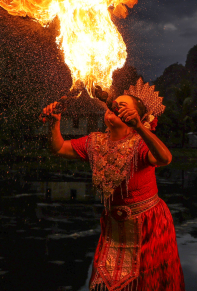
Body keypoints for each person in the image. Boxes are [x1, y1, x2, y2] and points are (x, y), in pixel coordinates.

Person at [43, 78, 184, 291]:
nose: (114, 108)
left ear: (138, 117)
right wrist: (55, 120)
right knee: (105, 283)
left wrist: (139, 128)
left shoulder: (140, 144)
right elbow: (60, 148)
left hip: (148, 224)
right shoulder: (94, 142)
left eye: (122, 107)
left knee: (146, 284)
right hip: (114, 228)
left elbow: (165, 159)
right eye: (114, 104)